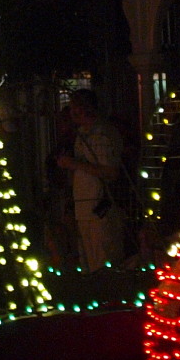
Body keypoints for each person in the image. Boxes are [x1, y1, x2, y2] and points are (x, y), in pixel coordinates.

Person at [57, 88, 126, 271]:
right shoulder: (82, 134)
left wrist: (75, 164)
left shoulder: (101, 133)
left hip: (99, 208)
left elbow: (111, 172)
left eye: (75, 108)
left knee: (103, 260)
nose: (72, 113)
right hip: (84, 207)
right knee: (88, 260)